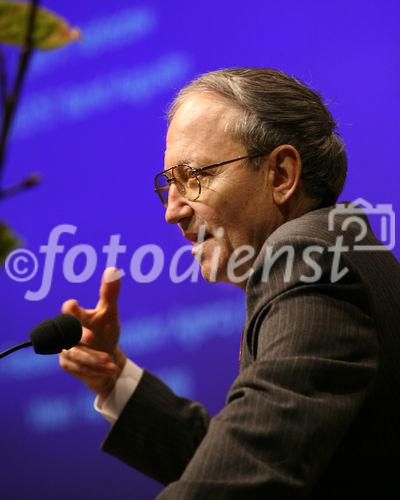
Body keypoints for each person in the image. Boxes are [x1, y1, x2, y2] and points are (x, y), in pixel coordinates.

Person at [59, 68, 400, 499]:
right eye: (171, 186)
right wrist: (115, 381)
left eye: (194, 177)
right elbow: (238, 458)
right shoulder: (331, 250)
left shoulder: (308, 257)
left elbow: (248, 471)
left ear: (280, 174)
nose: (174, 211)